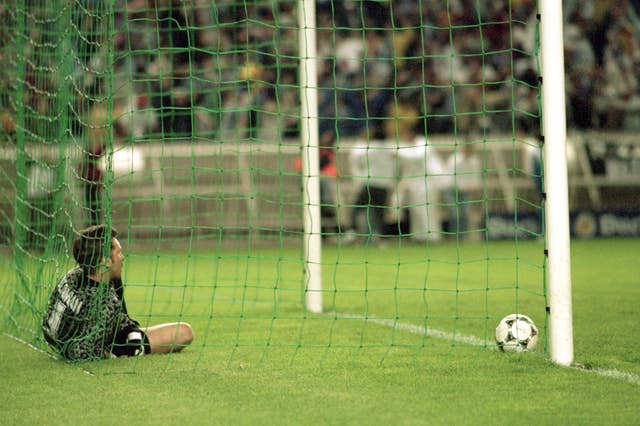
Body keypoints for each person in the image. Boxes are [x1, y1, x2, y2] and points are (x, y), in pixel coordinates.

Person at [42, 225, 193, 361]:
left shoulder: (73, 275)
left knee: (134, 330)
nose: (122, 257)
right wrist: (112, 354)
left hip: (60, 336)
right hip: (104, 341)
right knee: (185, 332)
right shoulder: (105, 304)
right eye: (118, 253)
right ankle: (132, 347)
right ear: (105, 261)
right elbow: (79, 352)